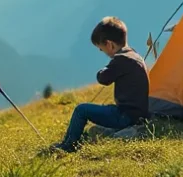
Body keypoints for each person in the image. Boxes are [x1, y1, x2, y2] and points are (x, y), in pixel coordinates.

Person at [49, 17, 149, 153]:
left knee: (81, 110)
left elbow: (104, 79)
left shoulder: (121, 60)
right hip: (139, 113)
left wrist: (102, 71)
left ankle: (68, 145)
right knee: (106, 108)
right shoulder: (134, 55)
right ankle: (75, 139)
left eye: (101, 49)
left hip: (125, 116)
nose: (103, 52)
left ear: (109, 44)